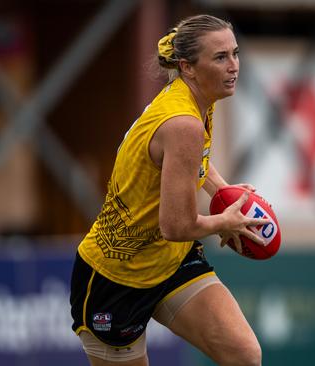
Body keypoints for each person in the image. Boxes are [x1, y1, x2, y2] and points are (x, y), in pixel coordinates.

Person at [69, 14, 270, 366]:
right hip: (117, 277)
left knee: (245, 355)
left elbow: (190, 163)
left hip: (171, 260)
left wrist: (222, 189)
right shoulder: (183, 123)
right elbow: (175, 225)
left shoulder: (194, 100)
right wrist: (225, 221)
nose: (234, 66)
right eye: (220, 57)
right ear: (187, 67)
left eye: (235, 53)